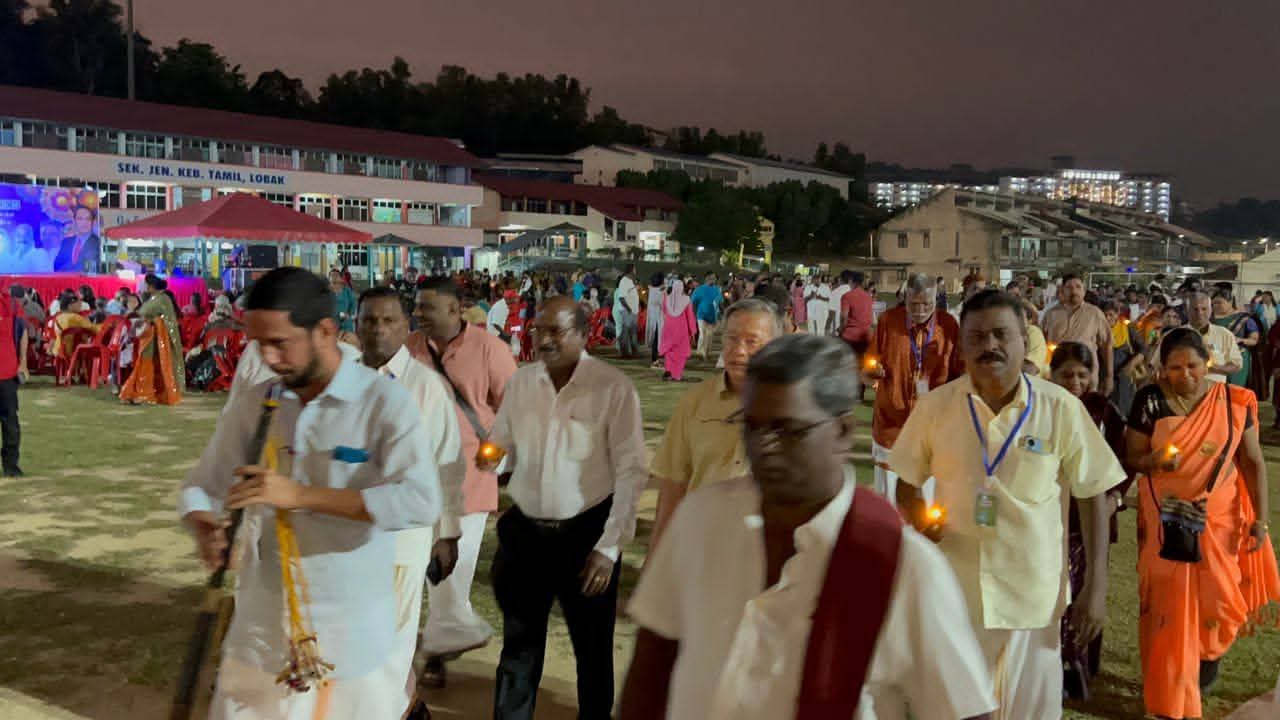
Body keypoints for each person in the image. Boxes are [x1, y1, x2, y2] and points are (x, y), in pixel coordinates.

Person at [620, 334, 997, 720]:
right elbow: (650, 667)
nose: (764, 446)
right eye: (752, 426)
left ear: (842, 432)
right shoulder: (702, 519)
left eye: (787, 430)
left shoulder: (900, 564)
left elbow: (964, 711)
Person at [180, 267, 446, 720]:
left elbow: (419, 501)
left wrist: (300, 495)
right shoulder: (258, 402)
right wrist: (204, 524)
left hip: (350, 632)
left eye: (279, 343)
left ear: (324, 331)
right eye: (258, 344)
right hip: (262, 627)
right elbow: (202, 486)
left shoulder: (383, 402)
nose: (268, 358)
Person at [889, 289, 1125, 720]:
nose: (990, 346)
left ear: (1025, 341)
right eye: (977, 337)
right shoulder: (936, 407)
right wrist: (919, 518)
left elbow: (1093, 491)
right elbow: (907, 480)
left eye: (1001, 334)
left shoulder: (1059, 408)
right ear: (962, 347)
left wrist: (1095, 588)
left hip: (1033, 602)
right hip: (956, 599)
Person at [482, 296, 645, 720]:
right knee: (519, 648)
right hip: (526, 536)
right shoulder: (523, 382)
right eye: (539, 329)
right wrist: (492, 458)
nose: (544, 340)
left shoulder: (612, 388)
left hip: (585, 538)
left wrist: (608, 549)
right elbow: (503, 443)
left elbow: (631, 471)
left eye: (556, 330)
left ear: (583, 334)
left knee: (592, 651)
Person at [1126, 328, 1279, 720]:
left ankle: (1205, 660)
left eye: (1193, 366)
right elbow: (1132, 456)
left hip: (1220, 518)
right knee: (1168, 604)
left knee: (1222, 602)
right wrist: (1154, 462)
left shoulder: (1233, 402)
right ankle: (1171, 687)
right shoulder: (1150, 400)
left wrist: (1261, 520)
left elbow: (1252, 461)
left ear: (1207, 362)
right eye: (1175, 367)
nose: (1185, 375)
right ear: (1163, 367)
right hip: (1165, 520)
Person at [356, 286, 467, 719]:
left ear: (406, 328)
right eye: (369, 320)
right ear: (356, 325)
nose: (378, 330)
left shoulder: (426, 387)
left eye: (388, 321)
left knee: (394, 643)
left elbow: (448, 464)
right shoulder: (342, 383)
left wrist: (448, 533)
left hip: (403, 540)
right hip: (347, 537)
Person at [408, 277, 517, 686]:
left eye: (427, 307)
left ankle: (438, 650)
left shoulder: (490, 349)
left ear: (455, 310)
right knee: (417, 567)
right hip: (415, 481)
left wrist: (499, 451)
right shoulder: (408, 349)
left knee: (450, 570)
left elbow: (516, 408)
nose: (418, 313)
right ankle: (444, 635)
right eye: (416, 306)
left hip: (470, 479)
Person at [649, 298, 784, 546]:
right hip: (698, 545)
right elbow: (673, 485)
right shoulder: (695, 402)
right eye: (731, 339)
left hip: (763, 552)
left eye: (751, 342)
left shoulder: (792, 406)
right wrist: (656, 557)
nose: (738, 350)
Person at [1048, 342, 1130, 700]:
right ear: (1052, 375)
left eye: (1083, 375)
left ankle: (1079, 664)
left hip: (1092, 521)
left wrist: (1116, 498)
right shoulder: (1043, 408)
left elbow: (1124, 461)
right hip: (1053, 519)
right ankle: (1052, 663)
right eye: (1067, 375)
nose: (1075, 382)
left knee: (1085, 588)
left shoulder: (1103, 410)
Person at [861, 274, 963, 502]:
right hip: (891, 425)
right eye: (913, 304)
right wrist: (872, 371)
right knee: (888, 500)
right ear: (904, 298)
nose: (920, 310)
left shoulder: (948, 325)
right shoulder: (889, 321)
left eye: (927, 304)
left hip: (932, 427)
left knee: (927, 501)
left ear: (936, 299)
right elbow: (868, 367)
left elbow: (958, 374)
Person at [1042, 274, 1115, 396]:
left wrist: (1109, 376)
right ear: (1062, 290)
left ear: (1084, 291)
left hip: (1086, 379)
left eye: (1078, 287)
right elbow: (1042, 345)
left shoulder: (1095, 313)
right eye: (1069, 287)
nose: (1074, 291)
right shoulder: (1051, 315)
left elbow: (1107, 346)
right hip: (1058, 378)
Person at [119, 275, 184, 405]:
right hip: (150, 337)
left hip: (158, 338)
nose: (143, 287)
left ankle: (146, 394)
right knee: (146, 363)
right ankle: (143, 393)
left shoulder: (162, 299)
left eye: (145, 285)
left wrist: (144, 318)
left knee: (149, 364)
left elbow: (146, 313)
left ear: (151, 286)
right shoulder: (155, 298)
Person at [1153, 292, 1242, 384]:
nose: (1200, 313)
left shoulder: (1224, 334)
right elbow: (1156, 367)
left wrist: (1214, 368)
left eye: (1204, 309)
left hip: (1215, 391)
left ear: (1211, 310)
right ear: (1187, 311)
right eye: (1195, 309)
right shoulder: (1172, 336)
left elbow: (1236, 365)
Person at [1212, 291, 1265, 394]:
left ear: (1230, 302)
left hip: (1238, 359)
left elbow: (1254, 340)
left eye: (1219, 303)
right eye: (1214, 303)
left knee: (1234, 391)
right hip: (1216, 358)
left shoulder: (1244, 319)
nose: (1216, 306)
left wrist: (1240, 340)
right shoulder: (1210, 319)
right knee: (1216, 391)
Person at [0, 285, 27, 477]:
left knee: (10, 422)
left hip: (7, 373)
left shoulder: (11, 304)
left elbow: (23, 332)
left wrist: (23, 361)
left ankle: (11, 466)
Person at [1105, 301, 1147, 417]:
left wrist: (1131, 364)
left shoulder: (1127, 329)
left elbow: (1144, 349)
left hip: (1124, 379)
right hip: (1105, 379)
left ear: (1117, 314)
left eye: (1111, 315)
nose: (1108, 318)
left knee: (1124, 411)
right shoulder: (1098, 330)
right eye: (1105, 315)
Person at [659, 279, 697, 382]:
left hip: (668, 328)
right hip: (681, 329)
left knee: (669, 350)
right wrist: (693, 332)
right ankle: (676, 374)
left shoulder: (667, 298)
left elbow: (664, 310)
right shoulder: (686, 300)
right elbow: (690, 317)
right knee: (681, 352)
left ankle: (669, 371)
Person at [50, 289, 99, 359]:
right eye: (78, 303)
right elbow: (95, 329)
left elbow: (52, 337)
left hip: (59, 350)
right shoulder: (75, 317)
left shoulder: (57, 317)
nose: (81, 304)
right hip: (74, 351)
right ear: (70, 306)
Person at [839, 271, 874, 364]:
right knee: (862, 363)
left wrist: (841, 331)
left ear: (851, 281)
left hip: (851, 336)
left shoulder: (847, 296)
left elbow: (844, 317)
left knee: (848, 364)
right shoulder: (868, 296)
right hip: (866, 336)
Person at [54, 205, 102, 273]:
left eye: (88, 219)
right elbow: (57, 266)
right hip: (64, 279)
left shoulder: (98, 243)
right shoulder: (66, 242)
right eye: (80, 219)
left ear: (93, 222)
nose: (84, 222)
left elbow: (92, 270)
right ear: (74, 221)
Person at [690, 272, 723, 361]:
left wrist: (722, 313)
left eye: (715, 278)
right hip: (701, 315)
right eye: (712, 278)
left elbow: (720, 302)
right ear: (707, 278)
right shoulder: (699, 289)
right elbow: (693, 302)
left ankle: (706, 352)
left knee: (709, 335)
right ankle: (700, 353)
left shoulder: (717, 289)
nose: (714, 280)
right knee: (702, 334)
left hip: (713, 316)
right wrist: (693, 314)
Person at [613, 266, 640, 359]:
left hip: (633, 311)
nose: (636, 271)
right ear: (631, 270)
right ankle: (624, 353)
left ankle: (634, 352)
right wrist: (629, 309)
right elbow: (621, 298)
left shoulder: (630, 281)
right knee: (625, 333)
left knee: (633, 332)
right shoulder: (624, 281)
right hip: (627, 311)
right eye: (635, 269)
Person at [645, 273, 667, 364]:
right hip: (658, 318)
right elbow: (663, 305)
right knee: (657, 339)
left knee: (655, 338)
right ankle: (655, 360)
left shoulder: (652, 290)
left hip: (653, 317)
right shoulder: (659, 292)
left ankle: (656, 358)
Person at [330, 269, 357, 335]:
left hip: (345, 322)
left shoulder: (346, 290)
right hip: (332, 321)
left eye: (336, 275)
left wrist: (350, 314)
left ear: (340, 278)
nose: (334, 277)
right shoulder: (327, 290)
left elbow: (353, 302)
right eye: (332, 275)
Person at [828, 270, 852, 336]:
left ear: (840, 279)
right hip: (852, 328)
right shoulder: (854, 291)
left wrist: (833, 329)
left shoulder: (835, 292)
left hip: (838, 327)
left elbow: (832, 312)